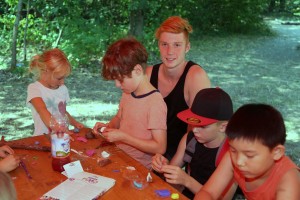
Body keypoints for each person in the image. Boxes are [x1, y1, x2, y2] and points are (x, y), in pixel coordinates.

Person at [195, 104, 300, 200]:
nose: (239, 162)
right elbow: (208, 192)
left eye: (249, 155)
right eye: (233, 150)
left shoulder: (289, 180)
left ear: (276, 152)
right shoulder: (234, 157)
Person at [93, 37, 167, 169]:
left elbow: (160, 147)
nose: (117, 85)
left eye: (120, 80)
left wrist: (124, 137)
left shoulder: (155, 103)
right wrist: (107, 128)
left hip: (138, 168)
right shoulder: (128, 92)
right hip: (120, 157)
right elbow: (119, 118)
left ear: (138, 70)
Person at [146, 16, 211, 160]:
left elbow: (196, 131)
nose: (170, 51)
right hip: (149, 149)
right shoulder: (149, 74)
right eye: (164, 44)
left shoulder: (195, 77)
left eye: (177, 45)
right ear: (158, 45)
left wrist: (172, 165)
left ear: (187, 47)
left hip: (180, 155)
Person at [151, 88, 235, 199]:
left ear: (223, 127)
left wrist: (187, 181)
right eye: (193, 123)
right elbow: (170, 176)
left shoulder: (233, 154)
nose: (195, 130)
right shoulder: (190, 140)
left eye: (202, 126)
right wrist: (163, 167)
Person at [27, 48, 84, 136]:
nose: (62, 82)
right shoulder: (35, 88)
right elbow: (42, 110)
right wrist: (56, 127)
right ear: (45, 71)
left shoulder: (62, 88)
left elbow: (63, 112)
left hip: (62, 136)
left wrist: (75, 123)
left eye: (64, 78)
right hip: (43, 138)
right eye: (59, 78)